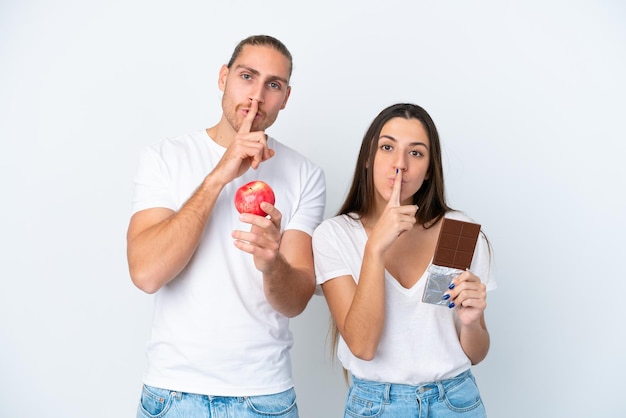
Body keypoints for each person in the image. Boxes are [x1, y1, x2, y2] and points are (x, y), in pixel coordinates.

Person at [127, 34, 326, 418]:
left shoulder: (304, 174)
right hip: (172, 393)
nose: (257, 96)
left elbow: (296, 300)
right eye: (247, 76)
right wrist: (219, 175)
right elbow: (146, 273)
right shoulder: (164, 158)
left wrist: (272, 264)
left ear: (285, 98)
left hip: (264, 396)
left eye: (273, 85)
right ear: (223, 77)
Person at [312, 103, 496, 417]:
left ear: (428, 171)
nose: (400, 165)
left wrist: (470, 324)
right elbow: (363, 346)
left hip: (455, 401)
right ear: (368, 159)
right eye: (387, 147)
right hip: (376, 405)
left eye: (416, 153)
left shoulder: (457, 233)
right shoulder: (335, 235)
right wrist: (374, 250)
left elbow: (475, 353)